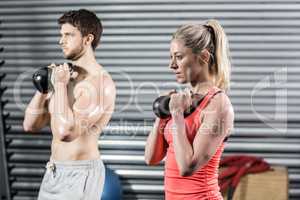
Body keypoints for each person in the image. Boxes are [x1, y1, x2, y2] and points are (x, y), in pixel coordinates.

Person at [23, 9, 116, 200]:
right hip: (53, 170)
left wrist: (59, 85)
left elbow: (66, 132)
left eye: (68, 35)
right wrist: (44, 88)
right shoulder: (64, 77)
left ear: (87, 39)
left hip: (80, 174)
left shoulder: (99, 83)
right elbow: (30, 125)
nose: (61, 41)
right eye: (60, 35)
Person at [145, 19, 234, 200]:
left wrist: (177, 115)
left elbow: (187, 167)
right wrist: (162, 116)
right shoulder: (180, 102)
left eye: (179, 57)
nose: (172, 65)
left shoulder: (218, 105)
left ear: (204, 57)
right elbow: (151, 158)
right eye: (171, 57)